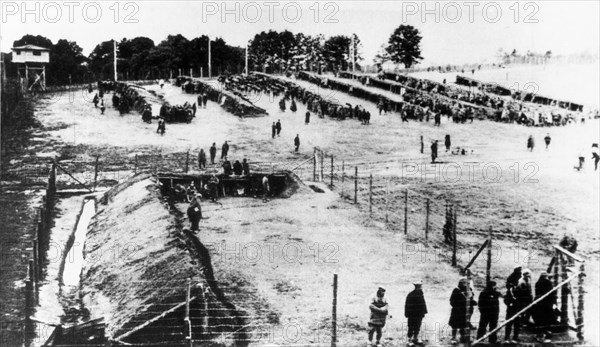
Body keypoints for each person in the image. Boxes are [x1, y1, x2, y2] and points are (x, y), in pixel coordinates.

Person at [449, 278, 476, 344]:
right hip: (457, 311)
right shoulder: (456, 291)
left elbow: (471, 299)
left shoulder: (469, 291)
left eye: (468, 284)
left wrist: (473, 302)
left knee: (464, 324)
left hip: (466, 311)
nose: (467, 285)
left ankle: (463, 337)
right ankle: (453, 337)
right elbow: (452, 301)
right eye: (466, 284)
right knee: (454, 325)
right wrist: (460, 305)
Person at [532, 272, 556, 342]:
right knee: (547, 319)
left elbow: (537, 294)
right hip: (546, 304)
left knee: (540, 319)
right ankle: (543, 333)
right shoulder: (548, 283)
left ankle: (542, 333)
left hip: (540, 303)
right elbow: (551, 294)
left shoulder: (538, 283)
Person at [405, 280, 428, 346]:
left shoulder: (421, 294)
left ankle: (415, 338)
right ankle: (409, 340)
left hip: (419, 314)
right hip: (412, 314)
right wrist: (407, 313)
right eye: (419, 286)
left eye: (420, 286)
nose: (420, 288)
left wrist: (424, 312)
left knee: (417, 326)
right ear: (416, 287)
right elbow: (407, 305)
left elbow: (423, 303)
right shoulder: (411, 294)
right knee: (411, 327)